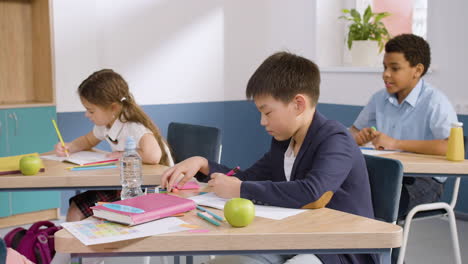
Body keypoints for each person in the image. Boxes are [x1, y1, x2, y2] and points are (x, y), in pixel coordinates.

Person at [162, 52, 377, 264]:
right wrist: (203, 164)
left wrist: (239, 189)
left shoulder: (335, 139)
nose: (262, 122)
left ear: (298, 104)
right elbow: (248, 178)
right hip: (296, 237)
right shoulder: (284, 142)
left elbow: (311, 192)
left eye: (268, 113)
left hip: (338, 247)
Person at [349, 34, 458, 218]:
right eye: (385, 67)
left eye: (395, 68)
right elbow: (353, 131)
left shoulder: (435, 102)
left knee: (380, 202)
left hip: (423, 182)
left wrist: (396, 143)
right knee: (348, 193)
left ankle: (378, 246)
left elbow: (449, 146)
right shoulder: (379, 99)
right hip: (386, 175)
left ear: (417, 70)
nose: (386, 74)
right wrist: (358, 138)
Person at [55, 69, 173, 221]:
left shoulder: (133, 126)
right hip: (125, 183)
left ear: (113, 108)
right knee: (76, 209)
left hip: (149, 188)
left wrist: (122, 154)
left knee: (77, 212)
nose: (87, 115)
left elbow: (153, 156)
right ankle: (76, 244)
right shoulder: (105, 125)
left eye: (91, 111)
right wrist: (70, 146)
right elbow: (88, 141)